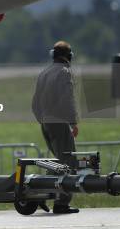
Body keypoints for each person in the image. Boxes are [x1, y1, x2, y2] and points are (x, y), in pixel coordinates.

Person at [32, 41, 79, 214]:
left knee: (59, 163)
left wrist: (43, 120)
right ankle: (60, 203)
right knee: (69, 164)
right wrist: (73, 122)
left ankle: (39, 195)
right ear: (69, 56)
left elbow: (35, 103)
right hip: (59, 123)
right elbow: (68, 100)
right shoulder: (64, 72)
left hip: (45, 122)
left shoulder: (43, 73)